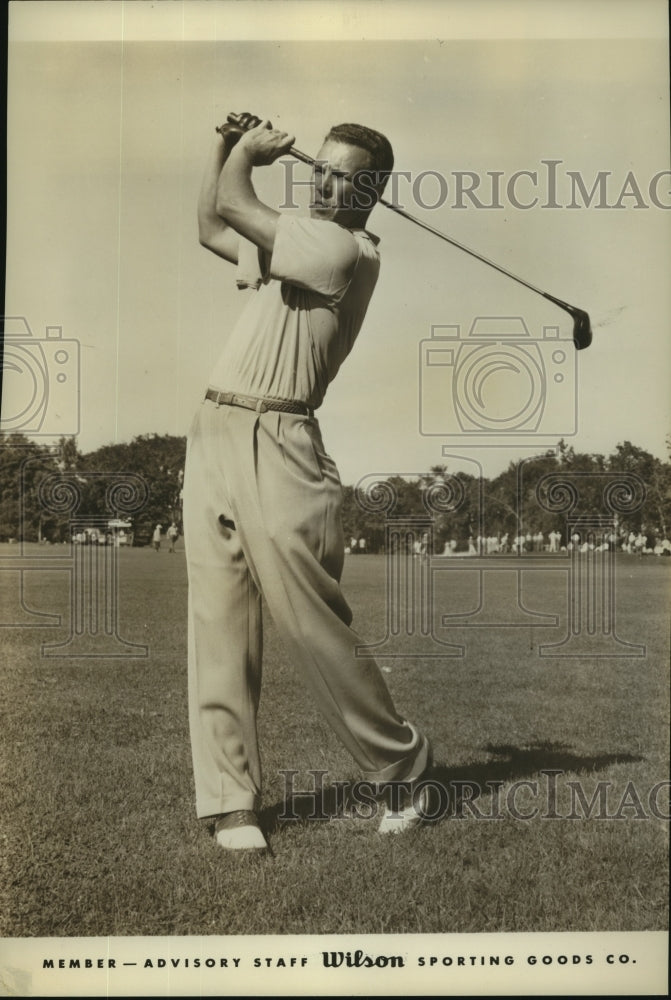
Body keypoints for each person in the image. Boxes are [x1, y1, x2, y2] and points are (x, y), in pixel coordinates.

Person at [183, 113, 431, 852]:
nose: (322, 183)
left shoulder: (340, 248)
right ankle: (232, 804)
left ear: (371, 191)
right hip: (214, 431)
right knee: (217, 622)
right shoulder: (294, 238)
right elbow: (208, 225)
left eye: (341, 175)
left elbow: (233, 205)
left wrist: (249, 159)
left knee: (310, 624)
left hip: (282, 440)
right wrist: (222, 145)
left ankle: (401, 766)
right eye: (316, 167)